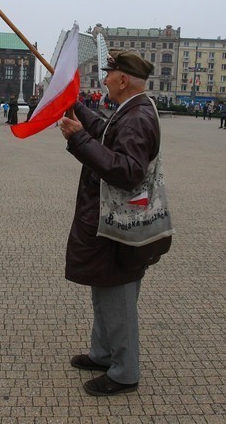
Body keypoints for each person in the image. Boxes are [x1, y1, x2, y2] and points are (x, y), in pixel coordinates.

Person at [57, 50, 171, 397]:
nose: (104, 79)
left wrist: (78, 139)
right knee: (104, 289)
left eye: (109, 74)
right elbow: (107, 132)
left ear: (123, 80)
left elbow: (127, 171)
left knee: (117, 298)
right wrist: (78, 109)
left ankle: (124, 372)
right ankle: (103, 354)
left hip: (122, 226)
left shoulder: (137, 118)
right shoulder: (132, 110)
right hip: (114, 221)